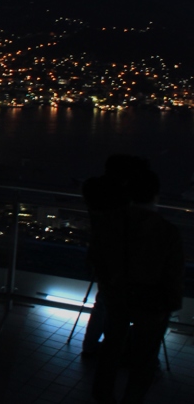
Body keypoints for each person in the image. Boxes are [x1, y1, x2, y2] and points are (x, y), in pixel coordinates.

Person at [92, 159, 184, 404]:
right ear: (156, 196)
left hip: (116, 295)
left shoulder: (109, 222)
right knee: (144, 359)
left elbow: (97, 258)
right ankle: (131, 400)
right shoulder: (168, 231)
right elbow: (173, 274)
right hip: (151, 302)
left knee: (111, 347)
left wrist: (109, 283)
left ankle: (102, 396)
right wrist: (171, 303)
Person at [80, 155, 133, 357]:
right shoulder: (122, 197)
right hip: (119, 257)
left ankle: (90, 345)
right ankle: (110, 348)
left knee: (102, 301)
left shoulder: (93, 189)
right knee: (111, 303)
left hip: (98, 253)